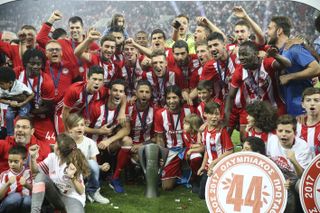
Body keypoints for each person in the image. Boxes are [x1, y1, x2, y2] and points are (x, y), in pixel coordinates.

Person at [266, 16, 320, 116]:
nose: (266, 32)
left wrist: (290, 77)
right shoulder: (281, 51)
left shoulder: (294, 48)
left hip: (302, 108)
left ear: (279, 31)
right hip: (291, 106)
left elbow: (316, 68)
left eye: (269, 28)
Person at [29, 133, 90, 213]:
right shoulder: (52, 157)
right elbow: (35, 173)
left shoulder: (73, 163)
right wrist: (33, 158)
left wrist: (72, 177)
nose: (54, 144)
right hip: (56, 196)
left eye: (56, 143)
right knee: (40, 176)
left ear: (59, 151)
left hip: (73, 198)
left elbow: (81, 191)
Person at [266, 115, 313, 213]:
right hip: (276, 177)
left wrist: (293, 160)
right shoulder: (272, 140)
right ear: (276, 131)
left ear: (295, 133)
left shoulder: (303, 147)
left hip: (296, 179)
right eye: (280, 131)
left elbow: (303, 176)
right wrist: (278, 181)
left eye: (287, 131)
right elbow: (267, 162)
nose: (283, 134)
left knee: (302, 187)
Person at [65, 113, 110, 204]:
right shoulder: (64, 142)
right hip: (69, 173)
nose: (79, 128)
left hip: (85, 173)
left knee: (93, 164)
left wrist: (100, 167)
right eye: (76, 126)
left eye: (82, 125)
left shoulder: (90, 142)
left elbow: (93, 164)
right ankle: (73, 191)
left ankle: (93, 191)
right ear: (69, 129)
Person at [37, 11, 100, 76]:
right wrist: (51, 19)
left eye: (77, 27)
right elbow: (40, 39)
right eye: (72, 28)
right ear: (68, 29)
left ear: (82, 28)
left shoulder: (92, 45)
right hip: (69, 82)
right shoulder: (62, 43)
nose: (75, 30)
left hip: (87, 83)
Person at [154, 85, 193, 190]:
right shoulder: (160, 114)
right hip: (171, 151)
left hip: (187, 150)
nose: (171, 101)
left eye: (174, 97)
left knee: (196, 156)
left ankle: (194, 177)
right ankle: (179, 173)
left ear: (180, 98)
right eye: (169, 98)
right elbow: (160, 138)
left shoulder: (188, 111)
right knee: (166, 187)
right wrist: (162, 156)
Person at [197, 101, 233, 199]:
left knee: (215, 195)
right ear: (205, 114)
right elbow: (207, 151)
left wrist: (214, 163)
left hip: (221, 165)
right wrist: (203, 166)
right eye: (211, 114)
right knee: (202, 196)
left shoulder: (222, 131)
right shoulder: (204, 131)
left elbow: (230, 150)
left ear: (220, 116)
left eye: (216, 114)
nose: (214, 117)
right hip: (209, 166)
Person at [21, 48, 56, 145]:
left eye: (38, 64)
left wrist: (31, 111)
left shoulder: (47, 81)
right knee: (17, 143)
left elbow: (49, 108)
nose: (36, 66)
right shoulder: (17, 74)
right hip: (20, 116)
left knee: (51, 146)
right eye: (32, 63)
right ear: (25, 63)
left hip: (41, 119)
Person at [0, 67, 34, 136]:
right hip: (12, 103)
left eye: (2, 84)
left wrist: (22, 103)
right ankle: (10, 134)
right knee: (8, 116)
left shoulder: (20, 86)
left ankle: (23, 134)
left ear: (10, 83)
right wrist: (9, 103)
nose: (0, 85)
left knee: (22, 116)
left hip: (23, 103)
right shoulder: (1, 87)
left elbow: (32, 94)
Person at [0, 145, 32, 213]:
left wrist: (26, 184)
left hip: (25, 204)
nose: (12, 164)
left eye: (16, 161)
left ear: (24, 160)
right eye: (10, 161)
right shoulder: (4, 175)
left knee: (28, 200)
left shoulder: (29, 172)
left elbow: (37, 192)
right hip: (9, 204)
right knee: (16, 197)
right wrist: (7, 183)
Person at [182, 113, 204, 192]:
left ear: (193, 126)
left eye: (186, 123)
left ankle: (198, 178)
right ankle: (194, 178)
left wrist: (192, 149)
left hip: (202, 154)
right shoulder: (185, 133)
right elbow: (189, 146)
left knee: (197, 157)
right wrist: (193, 148)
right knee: (195, 157)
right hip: (189, 153)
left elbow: (203, 148)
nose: (183, 125)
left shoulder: (200, 134)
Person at [296, 87, 320, 156]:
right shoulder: (296, 124)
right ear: (303, 104)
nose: (312, 103)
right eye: (308, 100)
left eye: (316, 100)